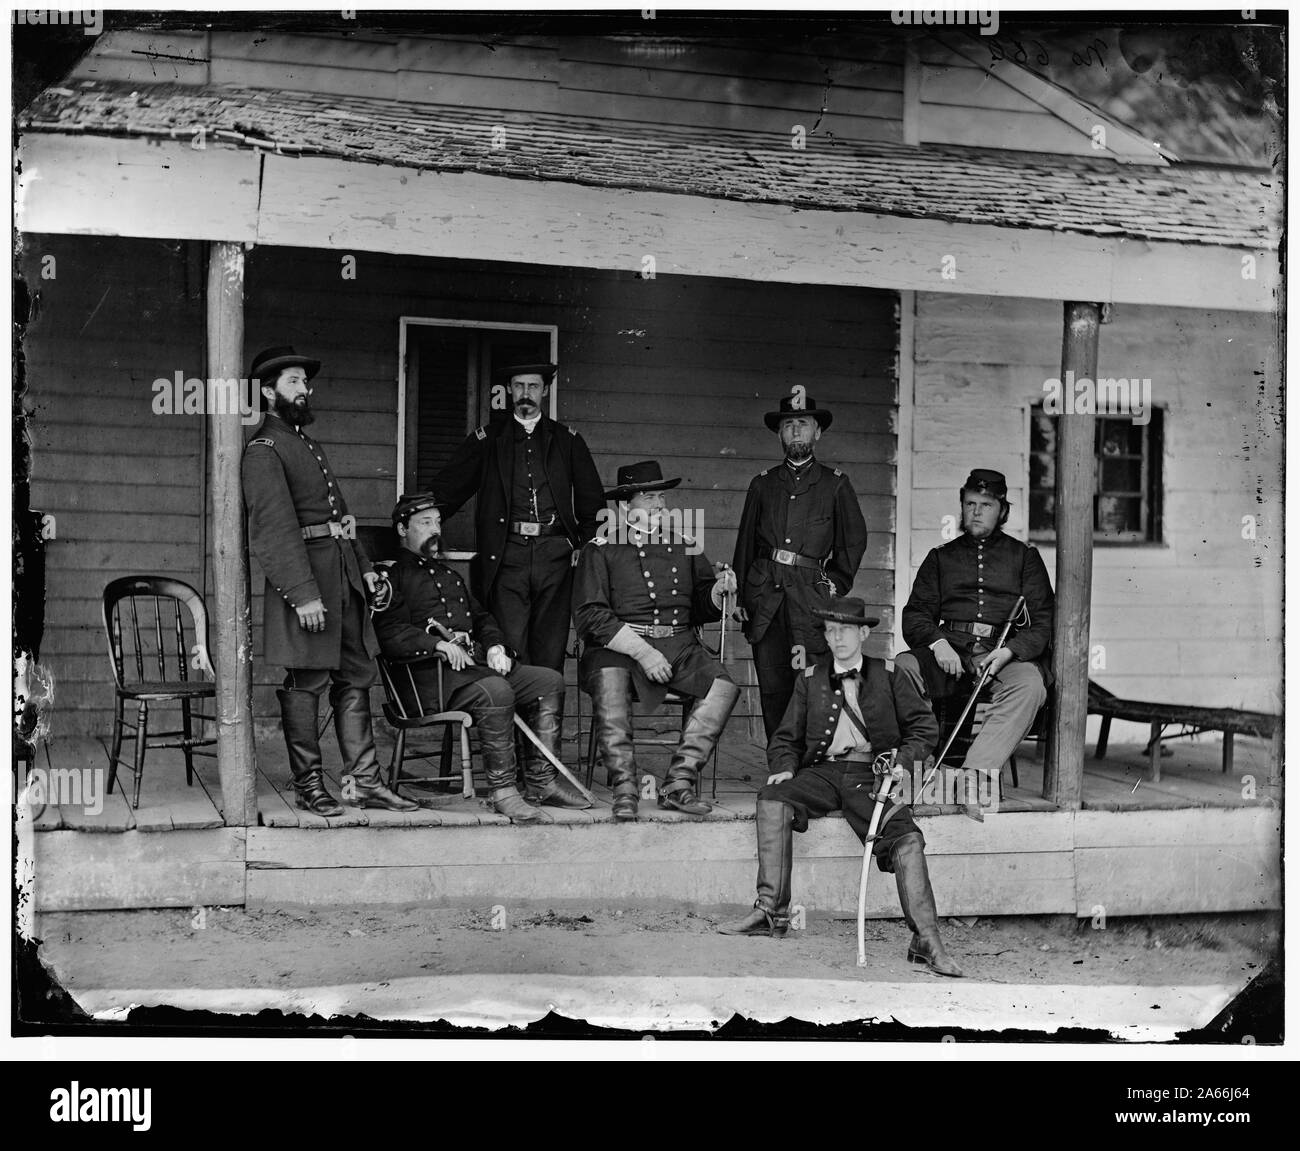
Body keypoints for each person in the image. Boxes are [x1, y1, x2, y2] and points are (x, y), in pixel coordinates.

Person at [718, 597, 962, 977]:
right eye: (831, 631)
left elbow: (924, 729)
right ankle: (771, 911)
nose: (837, 638)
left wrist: (899, 763)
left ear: (863, 633)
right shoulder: (810, 678)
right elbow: (785, 738)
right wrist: (783, 767)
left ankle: (926, 940)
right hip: (823, 773)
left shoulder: (891, 674)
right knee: (772, 798)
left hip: (873, 777)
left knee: (908, 839)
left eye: (845, 630)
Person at [242, 345, 416, 815]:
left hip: (342, 583)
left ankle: (365, 782)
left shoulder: (308, 446)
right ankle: (309, 785)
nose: (305, 389)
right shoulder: (265, 450)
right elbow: (273, 531)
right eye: (295, 382)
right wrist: (302, 596)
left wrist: (366, 571)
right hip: (308, 588)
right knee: (307, 681)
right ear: (268, 391)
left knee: (355, 677)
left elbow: (340, 523)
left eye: (305, 381)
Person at [371, 493, 591, 823]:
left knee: (548, 681)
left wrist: (495, 647)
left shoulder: (449, 576)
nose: (435, 529)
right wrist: (437, 646)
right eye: (425, 523)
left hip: (470, 672)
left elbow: (483, 618)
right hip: (425, 681)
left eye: (438, 522)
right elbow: (388, 632)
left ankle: (542, 780)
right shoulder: (392, 577)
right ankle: (503, 791)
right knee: (496, 690)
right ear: (402, 529)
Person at [574, 461, 739, 820]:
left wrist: (716, 592)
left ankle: (678, 784)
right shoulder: (601, 549)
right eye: (649, 499)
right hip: (617, 649)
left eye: (662, 497)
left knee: (722, 686)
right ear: (624, 507)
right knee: (610, 677)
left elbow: (699, 603)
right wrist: (643, 652)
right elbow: (591, 616)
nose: (660, 506)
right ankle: (625, 787)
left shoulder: (685, 545)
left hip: (679, 646)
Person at [430, 362, 605, 673]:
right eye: (520, 386)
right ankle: (512, 722)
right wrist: (416, 522)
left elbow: (593, 506)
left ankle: (546, 722)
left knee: (550, 649)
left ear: (545, 390)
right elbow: (447, 491)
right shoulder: (487, 440)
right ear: (509, 390)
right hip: (506, 554)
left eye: (533, 386)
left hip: (556, 557)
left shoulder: (568, 441)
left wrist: (586, 548)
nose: (526, 394)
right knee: (508, 647)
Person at [895, 468, 1053, 801]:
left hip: (1002, 654)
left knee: (1030, 686)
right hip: (950, 651)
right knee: (905, 667)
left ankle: (973, 776)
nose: (976, 511)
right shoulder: (941, 558)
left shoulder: (1025, 558)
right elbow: (915, 616)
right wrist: (938, 644)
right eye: (970, 504)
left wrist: (1009, 652)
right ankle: (918, 770)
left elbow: (1042, 623)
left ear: (1003, 511)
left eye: (986, 504)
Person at [733, 391, 868, 739]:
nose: (795, 432)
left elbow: (853, 541)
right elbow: (746, 543)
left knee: (809, 679)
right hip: (767, 597)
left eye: (803, 425)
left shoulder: (835, 484)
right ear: (779, 434)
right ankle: (779, 761)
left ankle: (809, 761)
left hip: (810, 598)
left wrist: (832, 585)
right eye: (788, 425)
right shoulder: (763, 484)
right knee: (773, 683)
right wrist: (742, 599)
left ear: (816, 433)